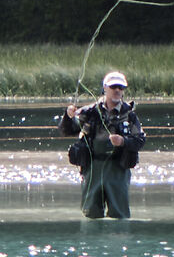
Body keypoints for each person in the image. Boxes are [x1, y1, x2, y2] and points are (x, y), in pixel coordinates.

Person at [60, 70, 146, 219]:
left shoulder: (130, 115)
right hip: (93, 168)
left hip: (118, 169)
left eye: (121, 87)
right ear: (105, 88)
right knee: (91, 214)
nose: (117, 90)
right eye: (114, 87)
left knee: (119, 215)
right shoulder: (89, 112)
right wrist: (68, 116)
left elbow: (140, 140)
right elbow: (67, 131)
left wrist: (123, 141)